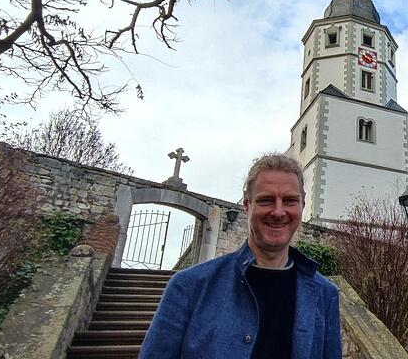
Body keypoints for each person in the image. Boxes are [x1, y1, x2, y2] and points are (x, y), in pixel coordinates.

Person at [139, 153, 342, 358]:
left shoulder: (325, 295)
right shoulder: (189, 286)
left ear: (302, 206)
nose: (279, 212)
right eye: (266, 200)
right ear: (247, 206)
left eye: (290, 200)